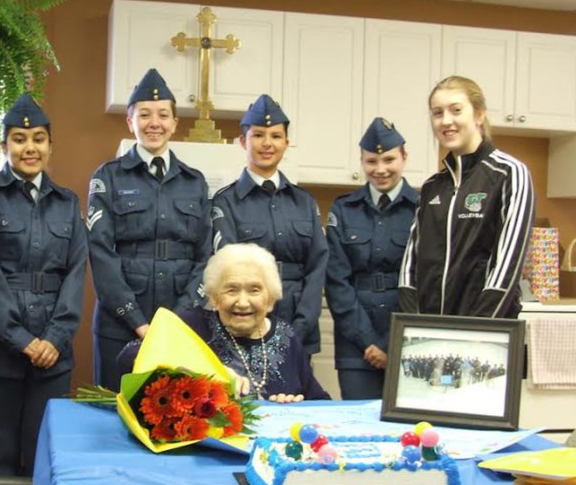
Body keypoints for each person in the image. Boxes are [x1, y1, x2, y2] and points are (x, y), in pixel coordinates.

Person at [0, 94, 86, 485]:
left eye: (38, 139)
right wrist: (20, 339)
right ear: (5, 145)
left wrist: (54, 339)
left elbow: (76, 275)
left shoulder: (67, 203)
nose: (30, 148)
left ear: (50, 145)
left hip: (51, 356)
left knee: (44, 458)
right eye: (20, 139)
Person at [87, 68, 211, 391]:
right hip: (121, 325)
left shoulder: (194, 181)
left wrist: (181, 318)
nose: (154, 123)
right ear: (130, 122)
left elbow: (206, 254)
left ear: (174, 123)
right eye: (144, 115)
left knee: (180, 418)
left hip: (182, 326)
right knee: (114, 419)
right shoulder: (109, 177)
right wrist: (138, 322)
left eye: (162, 115)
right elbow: (100, 253)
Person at [119, 244, 330, 402]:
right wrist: (203, 371)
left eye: (254, 290)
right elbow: (129, 356)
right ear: (214, 298)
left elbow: (319, 404)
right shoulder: (193, 324)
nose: (242, 302)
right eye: (231, 289)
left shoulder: (287, 337)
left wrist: (293, 408)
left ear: (271, 299)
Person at [399, 76, 534, 319]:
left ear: (479, 115)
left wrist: (475, 330)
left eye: (456, 110)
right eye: (437, 113)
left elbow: (507, 266)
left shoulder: (509, 173)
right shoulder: (432, 187)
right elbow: (410, 264)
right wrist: (413, 324)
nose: (446, 121)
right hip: (429, 327)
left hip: (483, 331)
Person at [211, 95, 328, 355]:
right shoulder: (226, 202)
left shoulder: (304, 202)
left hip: (299, 322)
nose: (267, 143)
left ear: (286, 143)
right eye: (258, 135)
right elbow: (229, 267)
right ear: (243, 141)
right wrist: (256, 323)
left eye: (275, 136)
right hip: (245, 322)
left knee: (297, 396)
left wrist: (303, 323)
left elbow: (318, 266)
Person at [325, 118, 420, 400]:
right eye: (371, 161)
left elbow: (427, 279)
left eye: (389, 159)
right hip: (356, 347)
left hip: (408, 340)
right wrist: (369, 342)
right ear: (362, 161)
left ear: (404, 157)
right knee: (357, 424)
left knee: (412, 427)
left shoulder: (424, 208)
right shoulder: (344, 210)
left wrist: (393, 344)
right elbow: (336, 282)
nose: (380, 169)